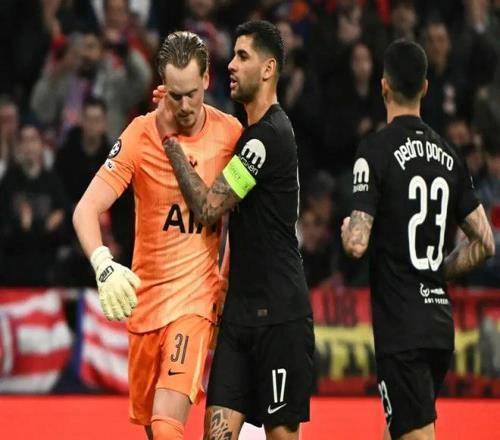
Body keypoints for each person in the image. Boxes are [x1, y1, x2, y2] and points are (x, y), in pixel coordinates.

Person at [72, 31, 242, 439]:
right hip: (145, 305)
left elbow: (244, 221)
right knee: (154, 429)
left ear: (207, 80)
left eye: (192, 94)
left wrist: (226, 283)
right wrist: (103, 265)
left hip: (195, 303)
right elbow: (86, 210)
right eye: (175, 95)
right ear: (162, 86)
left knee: (167, 425)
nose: (184, 106)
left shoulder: (231, 135)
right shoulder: (139, 134)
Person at [160, 20, 314, 439]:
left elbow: (209, 208)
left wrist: (171, 143)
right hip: (240, 318)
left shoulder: (267, 138)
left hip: (280, 318)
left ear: (268, 69)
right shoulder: (251, 136)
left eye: (242, 56)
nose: (230, 64)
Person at [341, 39, 495, 440]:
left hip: (401, 327)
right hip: (439, 325)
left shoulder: (374, 151)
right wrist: (439, 271)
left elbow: (357, 243)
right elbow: (485, 242)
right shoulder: (449, 155)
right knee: (405, 428)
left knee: (415, 433)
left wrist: (348, 229)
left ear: (383, 86)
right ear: (425, 88)